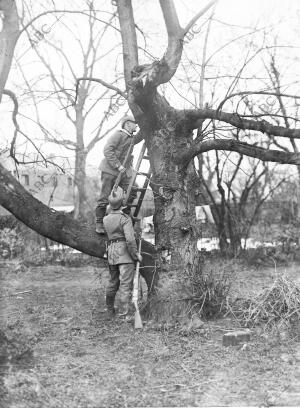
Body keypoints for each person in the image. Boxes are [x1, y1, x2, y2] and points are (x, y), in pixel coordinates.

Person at [95, 115, 141, 234]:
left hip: (123, 172)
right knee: (105, 198)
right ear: (127, 124)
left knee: (133, 188)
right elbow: (107, 150)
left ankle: (126, 216)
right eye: (134, 123)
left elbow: (140, 137)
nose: (136, 125)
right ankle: (99, 224)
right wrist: (117, 165)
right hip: (110, 171)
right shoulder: (118, 135)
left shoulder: (131, 138)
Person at [103, 186, 143, 319]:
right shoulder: (124, 218)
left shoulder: (105, 219)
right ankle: (123, 314)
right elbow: (130, 240)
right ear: (122, 203)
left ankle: (109, 310)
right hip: (124, 254)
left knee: (113, 282)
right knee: (125, 284)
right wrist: (136, 254)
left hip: (111, 254)